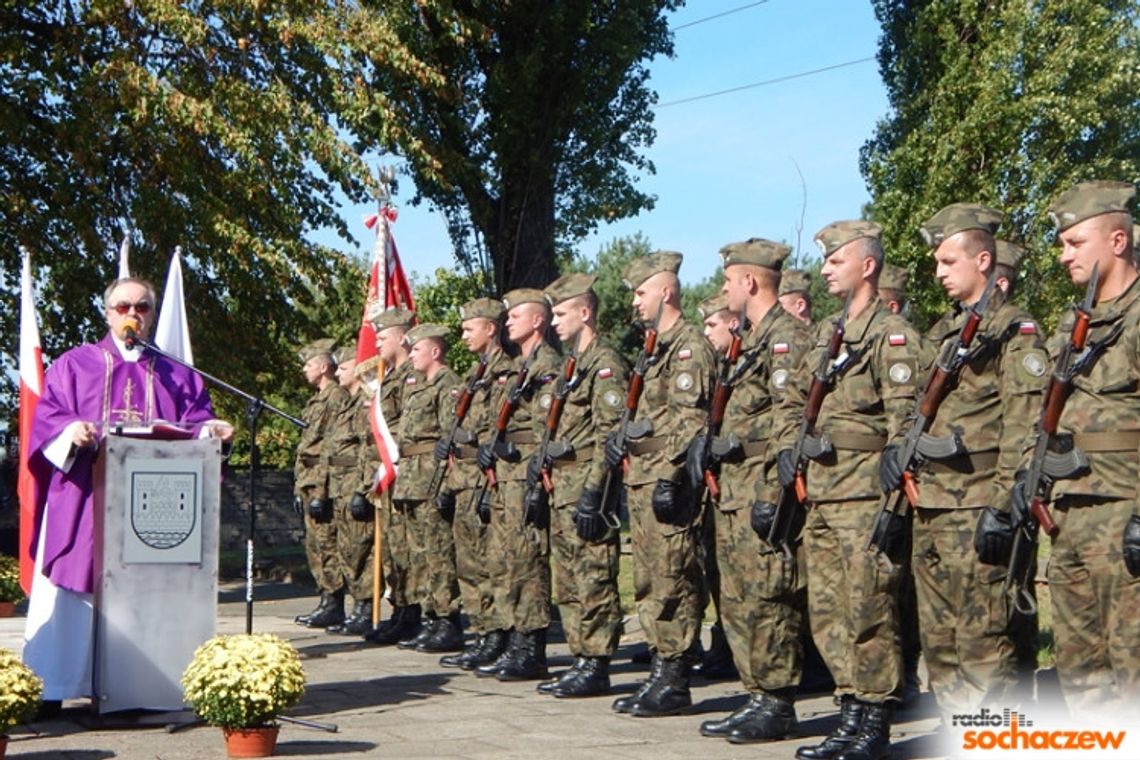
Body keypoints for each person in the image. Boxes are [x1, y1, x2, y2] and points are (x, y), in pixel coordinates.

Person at [23, 276, 233, 705]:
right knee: (74, 594)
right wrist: (70, 429)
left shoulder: (177, 374)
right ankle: (59, 687)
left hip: (153, 504)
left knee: (146, 588)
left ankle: (139, 687)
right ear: (107, 313)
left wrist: (213, 430)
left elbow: (197, 421)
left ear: (151, 314)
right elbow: (48, 417)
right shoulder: (74, 364)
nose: (131, 315)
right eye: (122, 308)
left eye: (141, 307)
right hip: (86, 497)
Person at [774, 221, 922, 760]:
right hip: (822, 491)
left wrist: (894, 483)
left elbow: (907, 415)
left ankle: (875, 717)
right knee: (830, 611)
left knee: (870, 609)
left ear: (867, 265)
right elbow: (796, 401)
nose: (825, 270)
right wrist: (792, 445)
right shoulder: (828, 334)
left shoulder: (890, 334)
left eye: (836, 261)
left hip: (863, 494)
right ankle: (850, 709)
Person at [908, 204, 1047, 724]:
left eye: (948, 261)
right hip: (936, 503)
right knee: (941, 641)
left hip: (979, 503)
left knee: (987, 641)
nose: (939, 272)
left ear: (983, 260)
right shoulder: (948, 330)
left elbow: (1026, 420)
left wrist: (1005, 503)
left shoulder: (1015, 330)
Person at [692, 239, 813, 744]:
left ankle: (778, 701)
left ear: (750, 282)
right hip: (735, 491)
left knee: (769, 596)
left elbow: (792, 421)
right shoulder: (752, 341)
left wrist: (771, 489)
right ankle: (757, 692)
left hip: (762, 489)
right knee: (741, 599)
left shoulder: (785, 339)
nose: (723, 291)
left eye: (727, 281)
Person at [1029, 180, 1140, 717]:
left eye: (1075, 243)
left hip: (1125, 517)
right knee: (1081, 670)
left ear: (1116, 242)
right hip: (1072, 517)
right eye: (1063, 243)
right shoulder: (1074, 323)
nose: (1063, 254)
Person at [609, 251, 717, 717]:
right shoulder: (654, 349)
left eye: (640, 292)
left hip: (666, 481)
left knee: (674, 578)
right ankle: (661, 667)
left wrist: (671, 475)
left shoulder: (688, 346)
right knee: (651, 581)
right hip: (644, 478)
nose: (634, 302)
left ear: (666, 291)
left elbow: (690, 420)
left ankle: (674, 678)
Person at [533, 273, 629, 698]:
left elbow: (610, 435)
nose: (554, 321)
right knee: (569, 580)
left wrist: (594, 491)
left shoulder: (605, 363)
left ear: (585, 312)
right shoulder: (573, 366)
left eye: (560, 313)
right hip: (564, 485)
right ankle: (581, 656)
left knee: (593, 577)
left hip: (587, 483)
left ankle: (597, 660)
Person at [473, 289, 562, 681]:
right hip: (505, 475)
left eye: (515, 317)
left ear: (537, 321)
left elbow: (548, 425)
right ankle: (513, 638)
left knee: (528, 560)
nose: (508, 323)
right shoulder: (521, 366)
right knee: (508, 559)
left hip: (526, 473)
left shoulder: (547, 365)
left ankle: (532, 646)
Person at [436, 297, 515, 670]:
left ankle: (498, 633)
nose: (464, 334)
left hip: (486, 478)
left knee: (490, 562)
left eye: (470, 328)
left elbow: (499, 426)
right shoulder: (476, 372)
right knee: (469, 564)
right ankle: (482, 632)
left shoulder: (507, 371)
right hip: (464, 478)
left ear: (491, 328)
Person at [391, 324, 464, 653]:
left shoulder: (447, 384)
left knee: (438, 555)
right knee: (420, 555)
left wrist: (448, 484)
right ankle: (432, 618)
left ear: (435, 351)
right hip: (412, 479)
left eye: (417, 349)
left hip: (431, 478)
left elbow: (451, 440)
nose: (412, 355)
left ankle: (447, 620)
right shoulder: (421, 386)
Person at [691, 293, 741, 682]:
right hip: (717, 483)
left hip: (737, 483)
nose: (705, 333)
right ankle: (723, 646)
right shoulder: (724, 365)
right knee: (716, 567)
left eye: (711, 324)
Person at [362, 306, 420, 645]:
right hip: (394, 474)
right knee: (395, 550)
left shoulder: (414, 375)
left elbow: (408, 427)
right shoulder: (392, 378)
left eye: (383, 337)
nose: (377, 345)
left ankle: (413, 613)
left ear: (402, 336)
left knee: (409, 549)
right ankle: (401, 611)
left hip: (407, 471)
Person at [293, 338, 351, 629]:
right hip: (308, 479)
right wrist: (298, 486)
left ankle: (334, 602)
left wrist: (322, 490)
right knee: (315, 545)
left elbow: (330, 447)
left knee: (328, 545)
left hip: (321, 481)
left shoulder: (336, 398)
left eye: (309, 364)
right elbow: (306, 448)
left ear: (325, 367)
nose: (304, 369)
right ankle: (325, 598)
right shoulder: (316, 400)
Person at [323, 348, 378, 636]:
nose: (338, 374)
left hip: (354, 483)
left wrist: (362, 489)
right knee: (347, 549)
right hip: (339, 485)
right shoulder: (348, 405)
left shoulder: (364, 404)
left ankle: (366, 607)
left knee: (361, 549)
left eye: (343, 368)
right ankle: (357, 606)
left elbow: (367, 449)